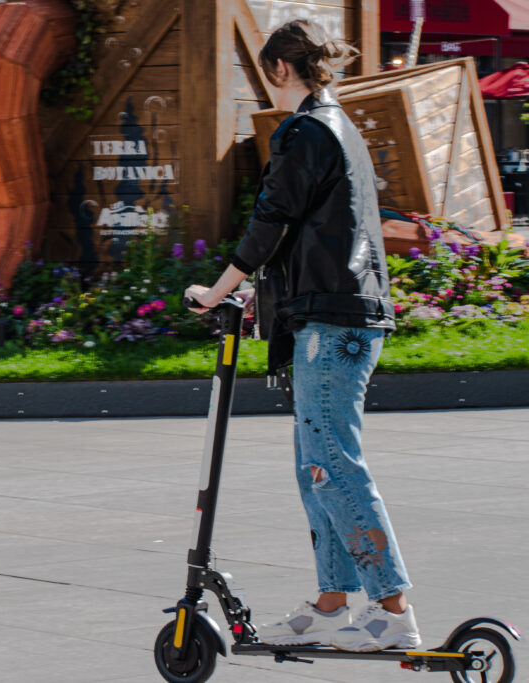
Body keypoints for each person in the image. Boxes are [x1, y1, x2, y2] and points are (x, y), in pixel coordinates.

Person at [184, 20, 419, 653]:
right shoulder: (340, 128)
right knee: (316, 466)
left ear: (279, 70)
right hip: (341, 316)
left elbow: (273, 220)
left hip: (332, 322)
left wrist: (217, 288)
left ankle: (392, 609)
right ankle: (331, 603)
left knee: (333, 465)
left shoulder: (306, 131)